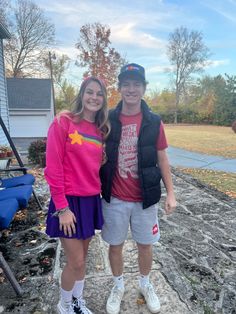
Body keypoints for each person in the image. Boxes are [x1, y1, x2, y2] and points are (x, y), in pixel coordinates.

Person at [100, 63, 176, 314]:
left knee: (146, 244)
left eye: (136, 84)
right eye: (126, 84)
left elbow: (162, 158)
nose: (131, 89)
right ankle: (118, 285)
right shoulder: (107, 118)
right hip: (115, 198)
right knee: (115, 245)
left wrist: (171, 193)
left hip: (145, 198)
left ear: (144, 88)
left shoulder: (154, 121)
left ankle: (145, 283)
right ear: (120, 87)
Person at [44, 76, 110, 314]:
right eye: (89, 92)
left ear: (104, 99)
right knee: (76, 261)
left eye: (99, 93)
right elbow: (53, 167)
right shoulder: (63, 122)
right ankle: (63, 305)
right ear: (82, 94)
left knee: (84, 257)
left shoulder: (100, 130)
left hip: (90, 201)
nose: (94, 97)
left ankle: (77, 301)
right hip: (68, 203)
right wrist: (62, 208)